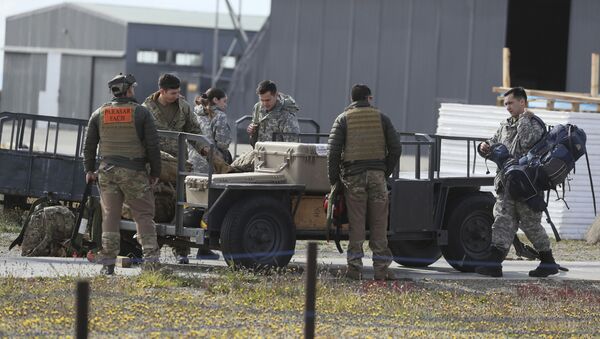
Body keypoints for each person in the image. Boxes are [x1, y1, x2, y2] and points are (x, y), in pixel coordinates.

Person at [476, 87, 559, 278]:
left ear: (522, 102)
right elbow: (493, 144)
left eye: (511, 103)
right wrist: (483, 146)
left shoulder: (533, 123)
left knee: (531, 225)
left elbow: (529, 141)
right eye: (505, 104)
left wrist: (524, 119)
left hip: (526, 186)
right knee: (502, 222)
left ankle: (548, 262)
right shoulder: (504, 126)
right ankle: (494, 264)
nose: (507, 107)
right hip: (506, 185)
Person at [83, 73, 162, 275]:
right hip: (134, 172)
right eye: (132, 88)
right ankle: (151, 263)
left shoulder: (99, 113)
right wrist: (155, 172)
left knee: (110, 216)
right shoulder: (141, 113)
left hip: (107, 171)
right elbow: (153, 146)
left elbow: (89, 146)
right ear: (128, 90)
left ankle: (108, 263)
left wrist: (89, 170)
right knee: (143, 215)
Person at [143, 73, 222, 263]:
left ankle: (181, 251)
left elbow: (194, 132)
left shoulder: (184, 108)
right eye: (173, 93)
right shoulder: (145, 109)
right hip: (155, 166)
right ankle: (152, 249)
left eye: (179, 92)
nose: (177, 95)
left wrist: (204, 150)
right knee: (153, 206)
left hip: (179, 166)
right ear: (161, 91)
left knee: (181, 207)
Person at [327, 84, 402, 281]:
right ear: (369, 98)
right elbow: (396, 148)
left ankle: (354, 270)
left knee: (357, 225)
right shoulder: (382, 118)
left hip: (354, 177)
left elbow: (333, 153)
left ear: (352, 99)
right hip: (377, 177)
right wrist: (384, 171)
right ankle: (381, 270)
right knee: (379, 224)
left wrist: (335, 181)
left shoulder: (343, 119)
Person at [230, 80, 301, 172]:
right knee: (233, 167)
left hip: (277, 157)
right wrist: (252, 131)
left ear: (276, 95)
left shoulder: (286, 114)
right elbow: (254, 137)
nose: (264, 103)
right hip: (260, 153)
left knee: (236, 170)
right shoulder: (258, 108)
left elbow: (292, 146)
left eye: (267, 100)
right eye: (262, 100)